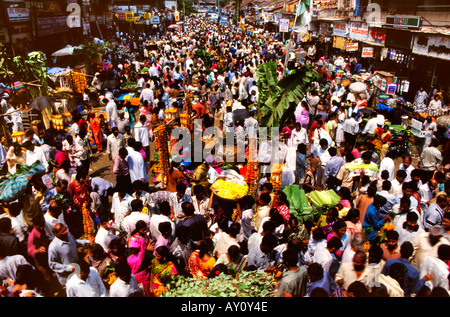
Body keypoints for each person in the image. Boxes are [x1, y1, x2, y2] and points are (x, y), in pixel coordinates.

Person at [48, 223, 90, 287]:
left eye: (66, 229)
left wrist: (87, 242)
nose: (66, 232)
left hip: (78, 271)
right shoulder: (53, 247)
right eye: (63, 231)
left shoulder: (68, 235)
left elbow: (75, 242)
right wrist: (69, 268)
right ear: (57, 234)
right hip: (68, 277)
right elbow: (52, 265)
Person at [127, 220, 153, 297]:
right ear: (138, 230)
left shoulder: (145, 236)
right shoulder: (133, 240)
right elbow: (133, 251)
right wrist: (145, 249)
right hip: (138, 261)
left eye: (145, 229)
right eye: (143, 230)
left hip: (146, 259)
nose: (145, 231)